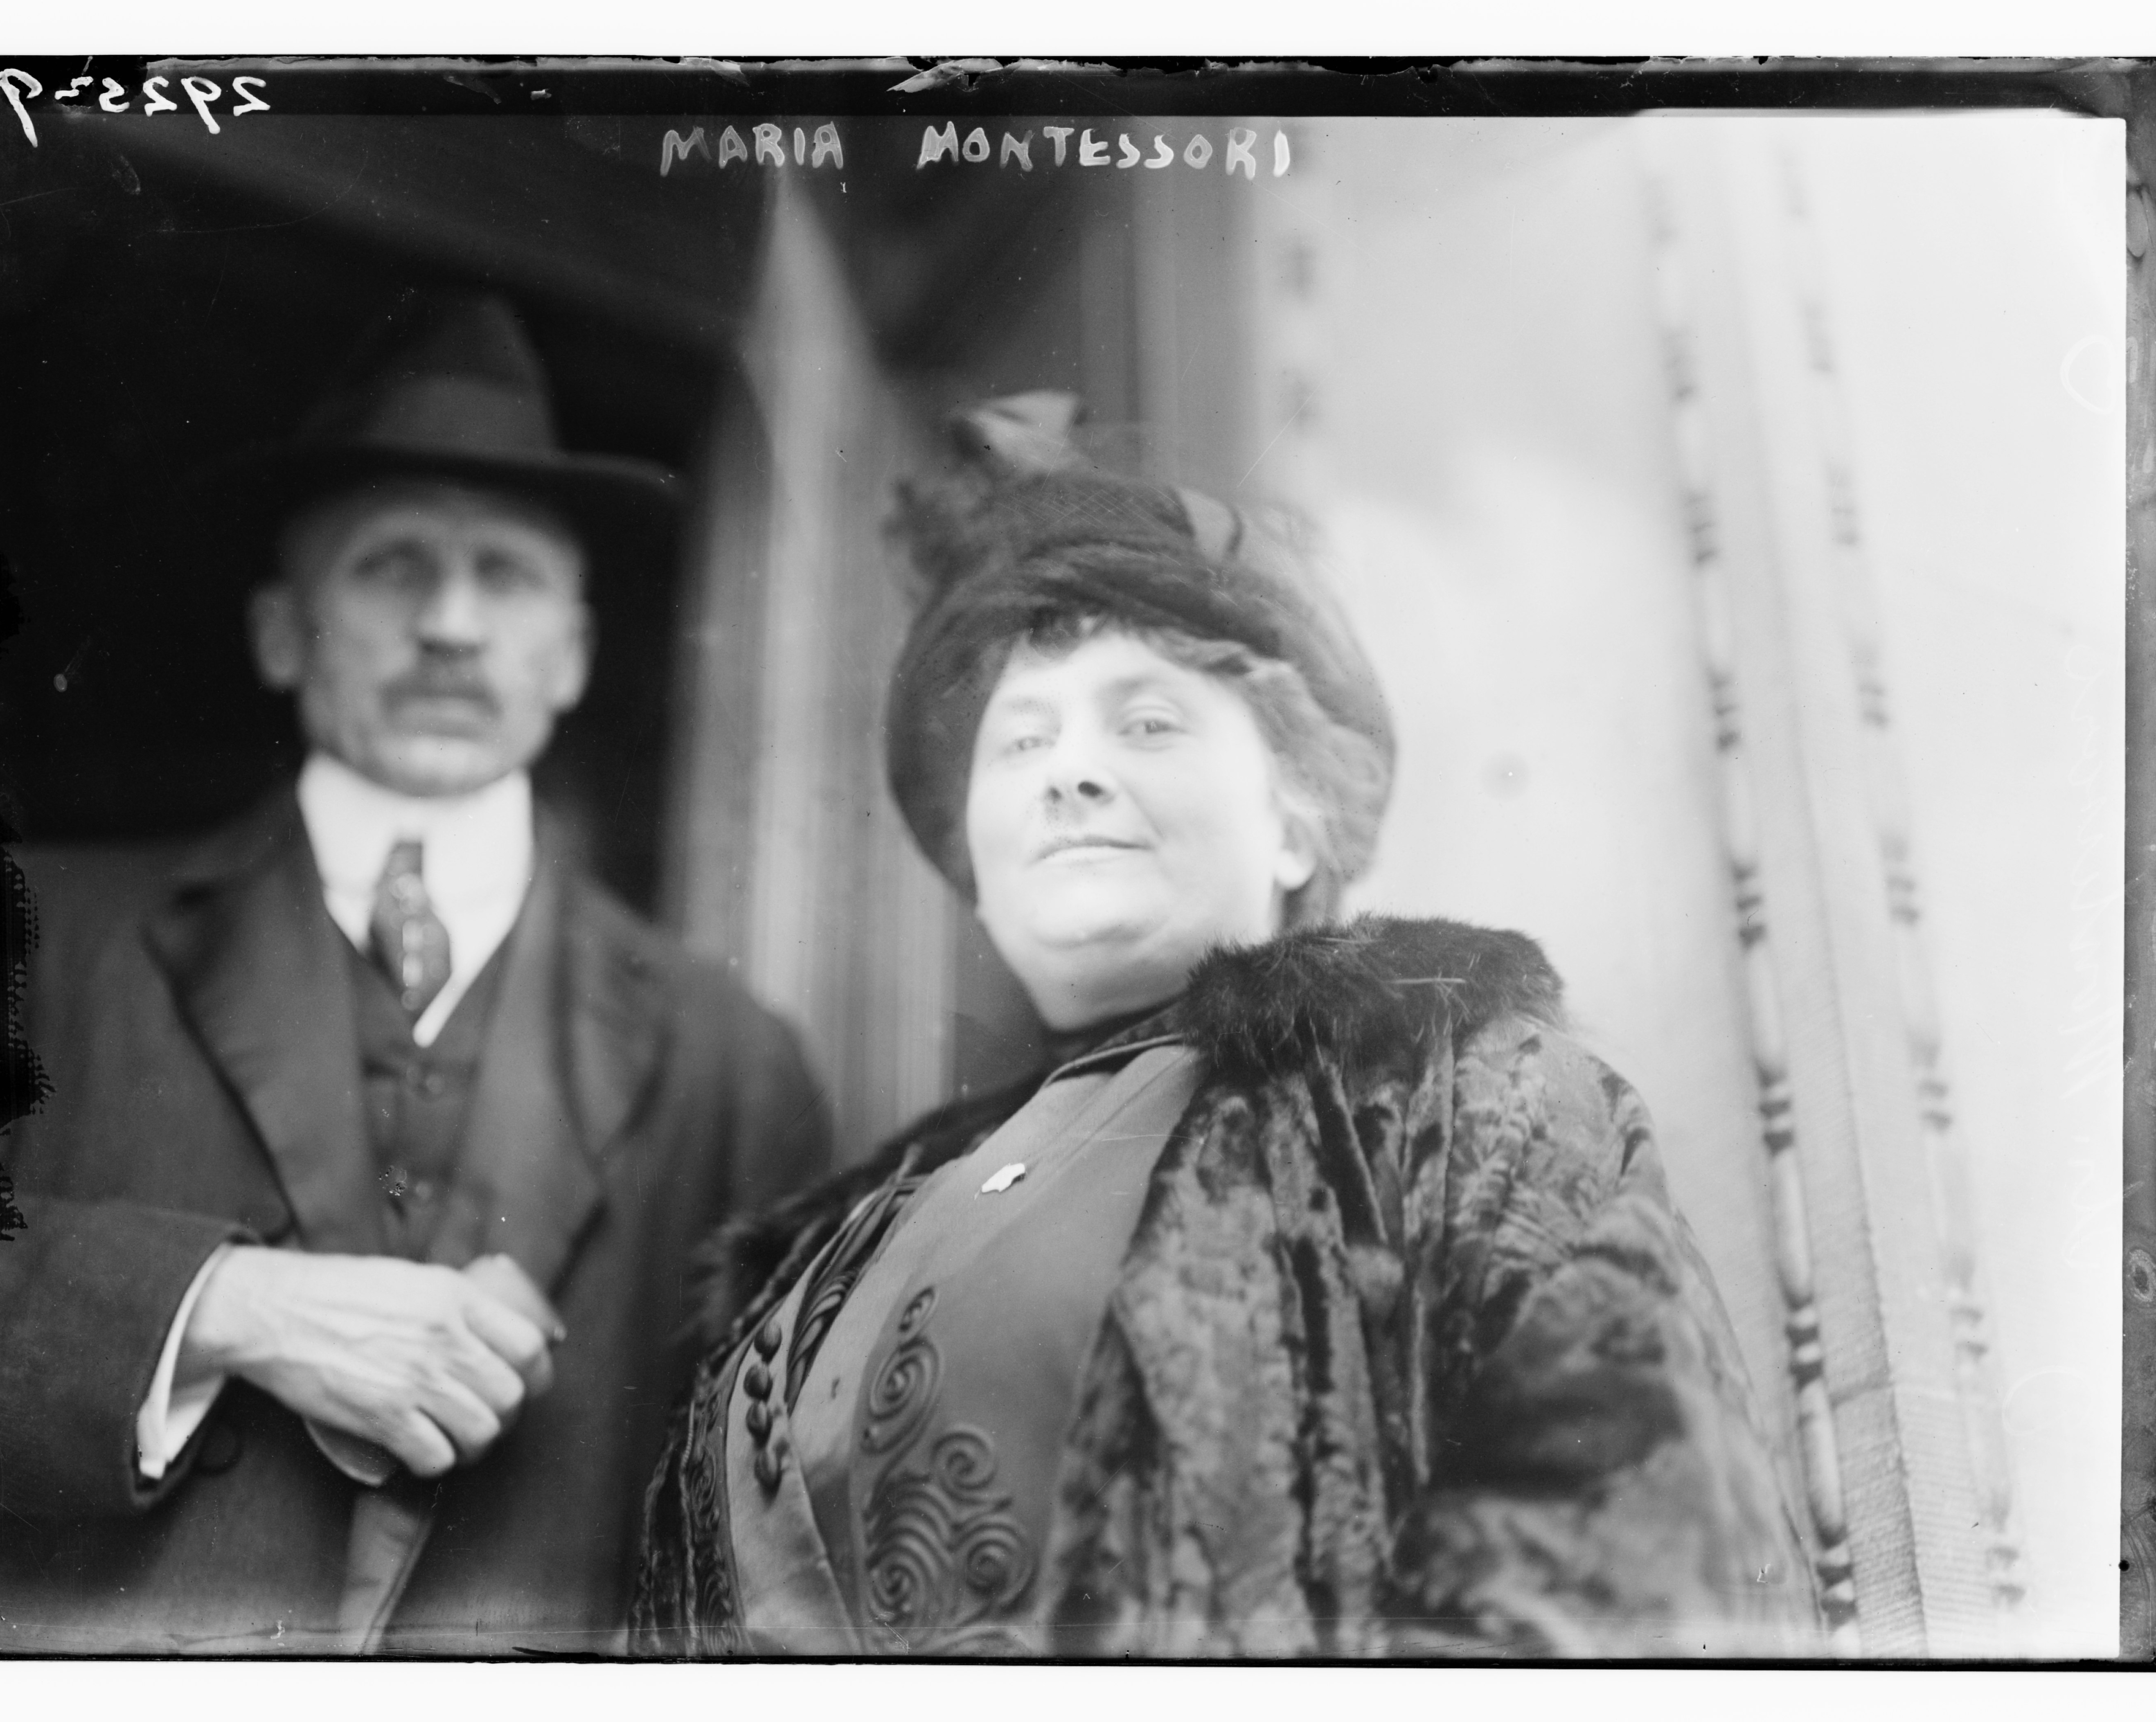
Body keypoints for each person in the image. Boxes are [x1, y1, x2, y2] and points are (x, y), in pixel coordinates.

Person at [632, 392, 1823, 1659]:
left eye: (1146, 722)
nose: (1067, 770)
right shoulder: (843, 1235)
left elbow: (1639, 1563)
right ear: (971, 859)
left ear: (1298, 814)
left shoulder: (1441, 1098)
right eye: (1019, 739)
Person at [0, 295, 831, 1656]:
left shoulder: (731, 1055)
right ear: (283, 632)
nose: (453, 624)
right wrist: (215, 1305)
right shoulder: (20, 928)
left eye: (508, 575)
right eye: (395, 566)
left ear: (573, 654)